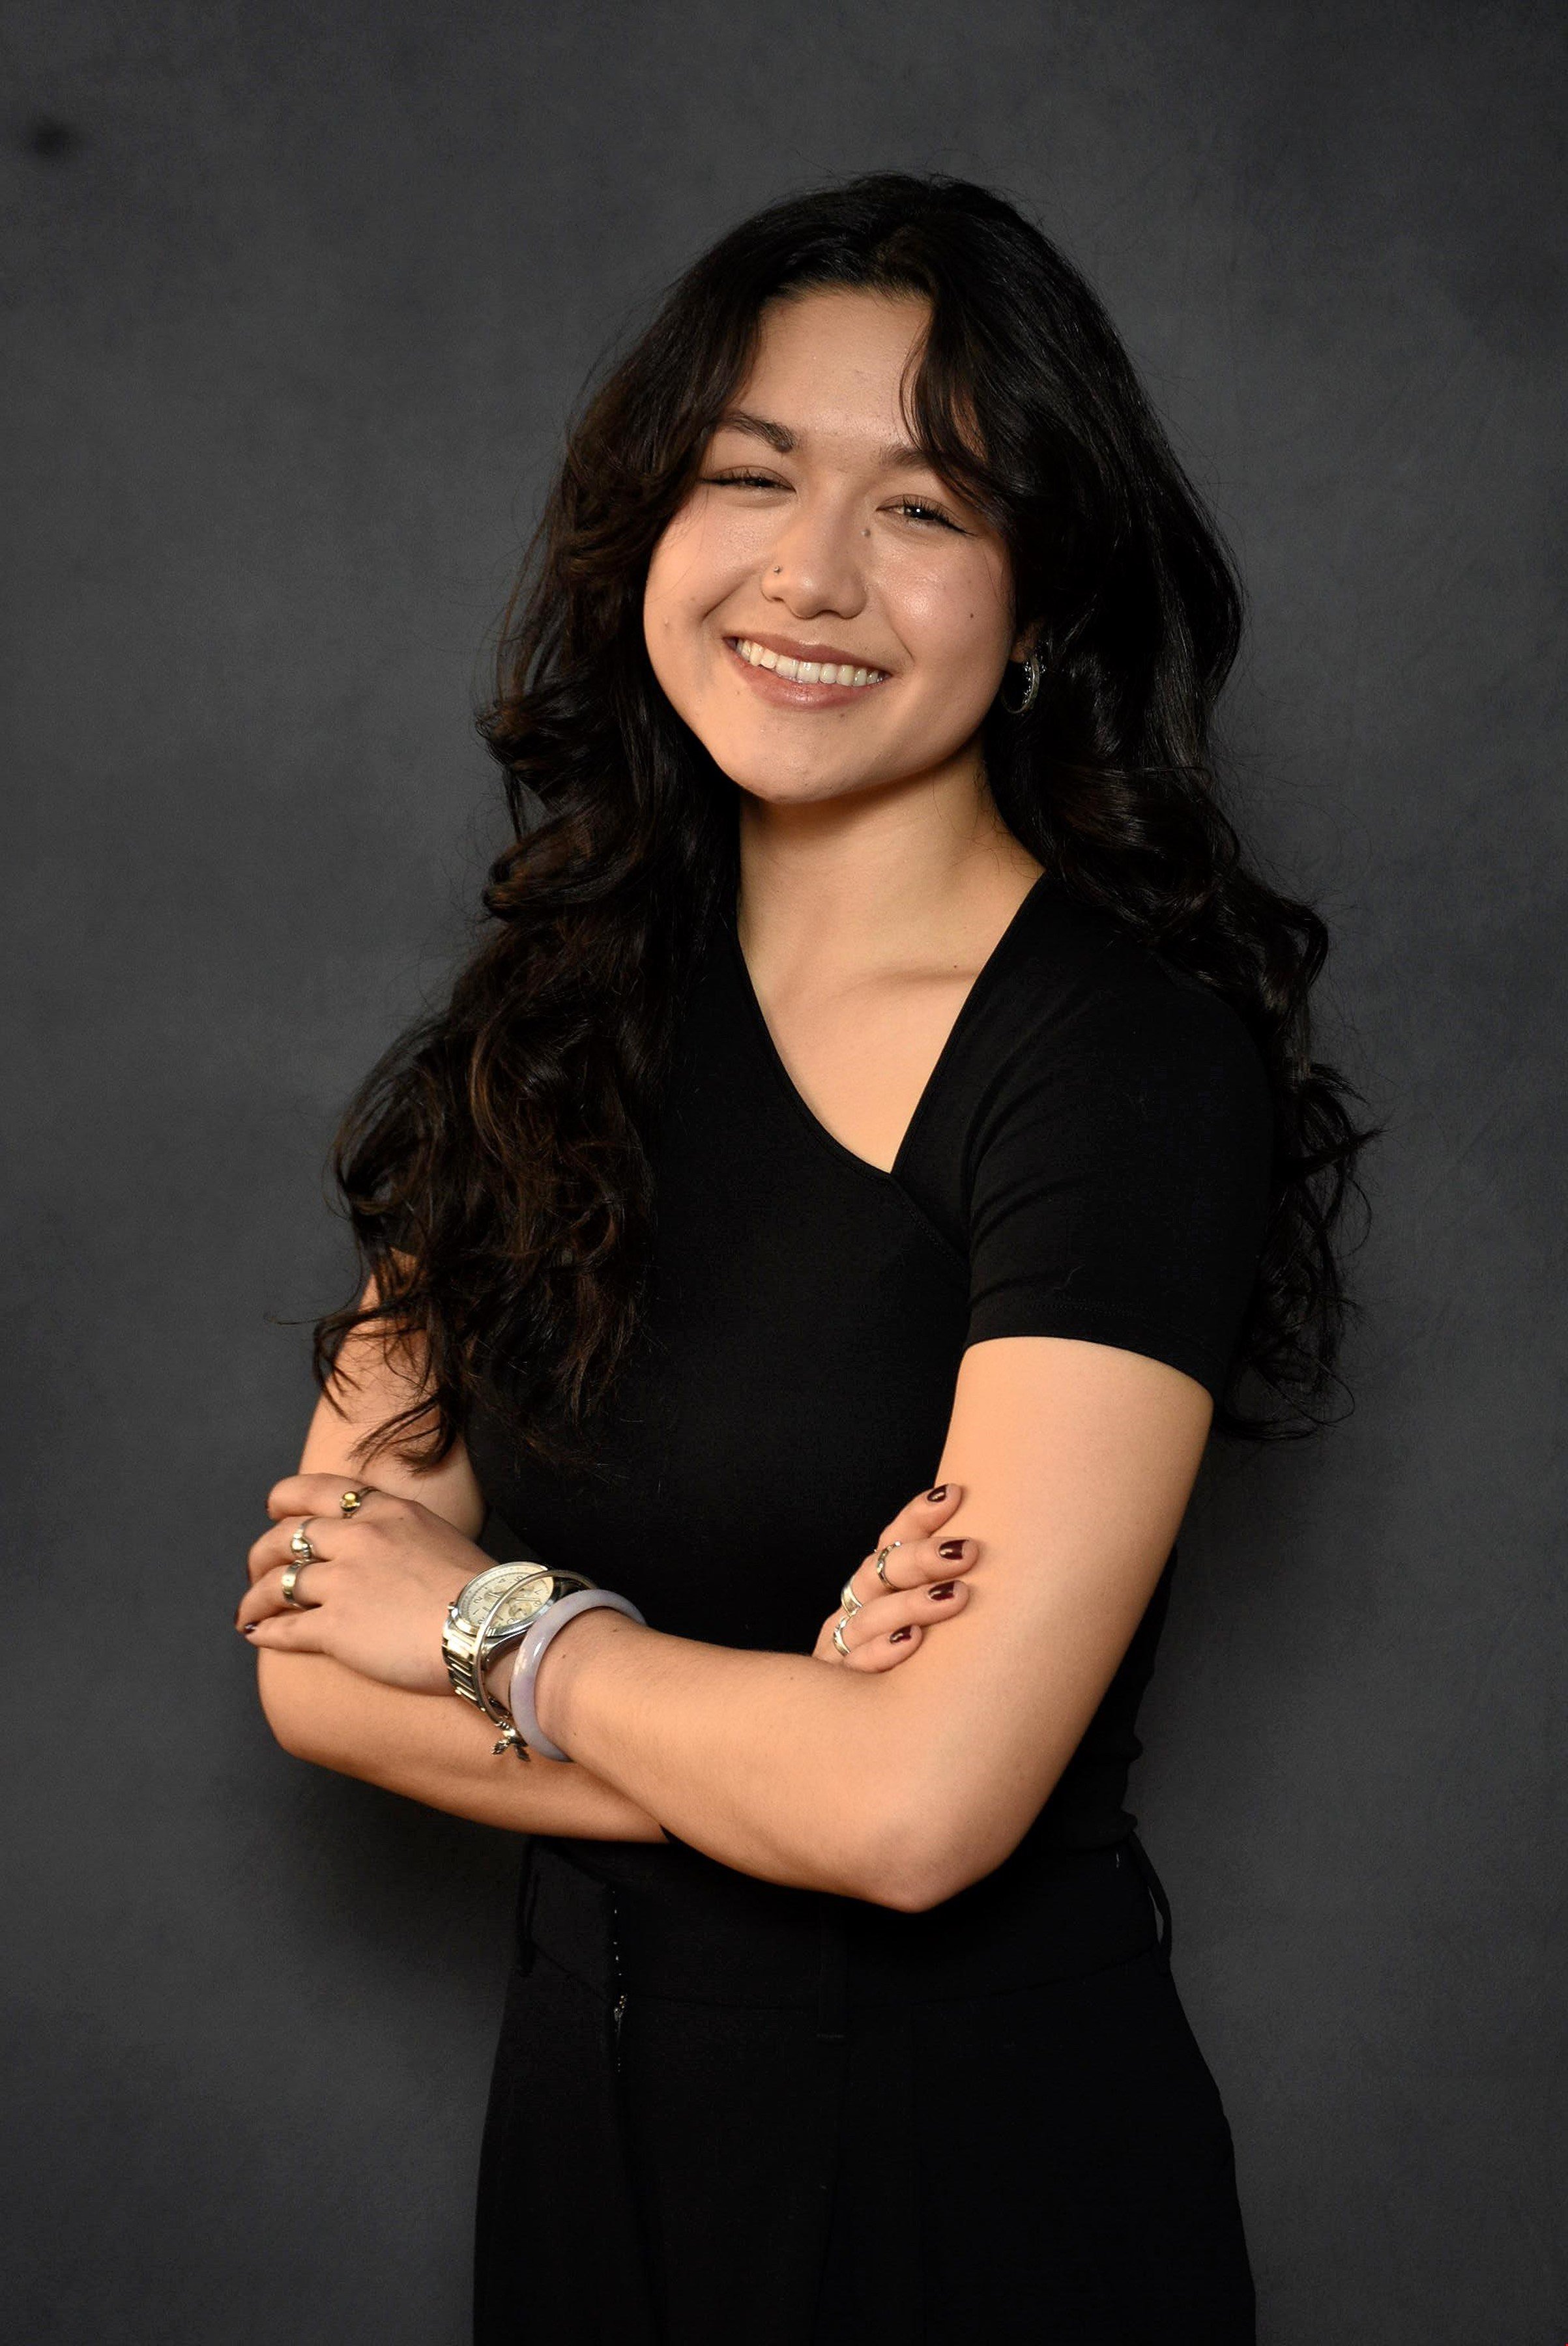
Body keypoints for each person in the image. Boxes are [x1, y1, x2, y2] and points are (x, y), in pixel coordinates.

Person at [235, 171, 1371, 2345]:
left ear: (1041, 599)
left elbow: (924, 1815)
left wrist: (508, 1626)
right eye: (749, 475)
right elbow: (307, 1654)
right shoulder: (548, 1017)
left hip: (968, 2184)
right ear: (649, 529)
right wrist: (797, 1743)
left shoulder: (1120, 1063)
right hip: (582, 2156)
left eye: (923, 507)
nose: (810, 573)